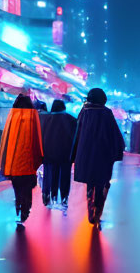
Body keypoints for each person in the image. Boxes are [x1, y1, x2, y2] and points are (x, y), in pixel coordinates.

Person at [73, 88, 125, 228]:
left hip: (87, 154)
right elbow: (114, 134)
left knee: (90, 182)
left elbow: (77, 134)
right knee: (102, 183)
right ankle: (98, 212)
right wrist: (118, 151)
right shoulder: (106, 113)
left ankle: (91, 208)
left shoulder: (84, 112)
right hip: (103, 154)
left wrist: (74, 155)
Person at [0, 92, 44, 224]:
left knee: (17, 188)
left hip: (14, 163)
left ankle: (19, 204)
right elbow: (37, 140)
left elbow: (5, 140)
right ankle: (25, 210)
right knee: (27, 188)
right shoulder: (33, 117)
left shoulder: (12, 116)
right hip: (28, 163)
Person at [39, 98, 76, 208]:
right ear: (63, 108)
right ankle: (64, 198)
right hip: (66, 153)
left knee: (49, 174)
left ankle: (50, 195)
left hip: (48, 153)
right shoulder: (72, 120)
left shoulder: (45, 119)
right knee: (65, 175)